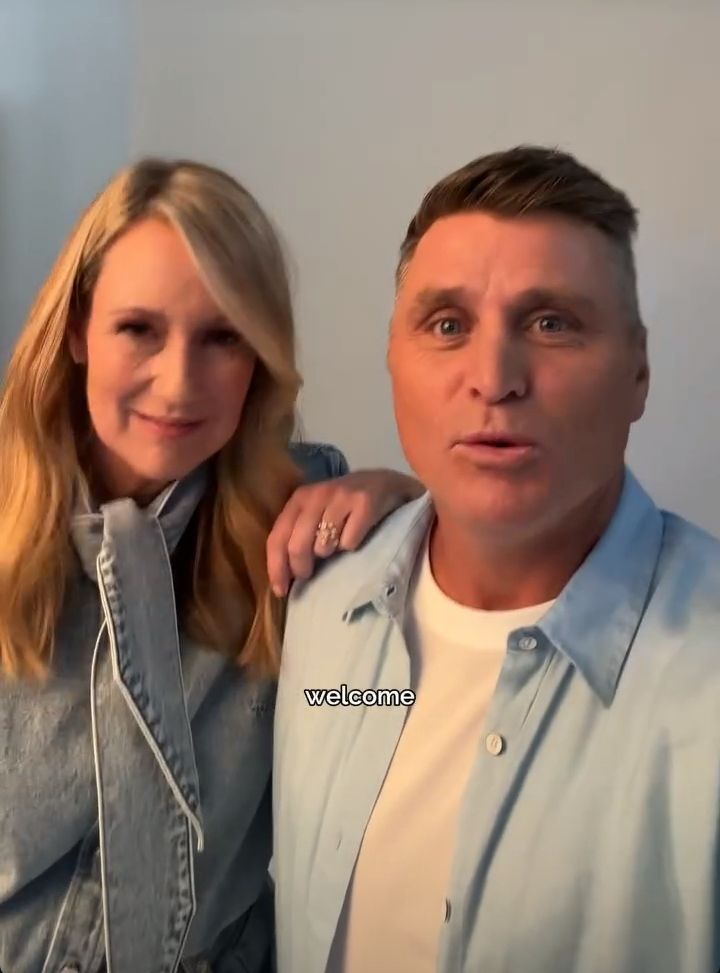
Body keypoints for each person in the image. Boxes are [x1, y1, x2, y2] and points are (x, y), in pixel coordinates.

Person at [273, 145, 720, 973]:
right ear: (392, 357)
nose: (493, 378)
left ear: (639, 371)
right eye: (447, 325)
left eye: (551, 323)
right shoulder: (318, 600)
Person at [0, 157, 421, 973]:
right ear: (79, 329)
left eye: (223, 336)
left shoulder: (300, 524)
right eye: (139, 328)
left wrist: (407, 507)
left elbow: (382, 702)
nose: (178, 382)